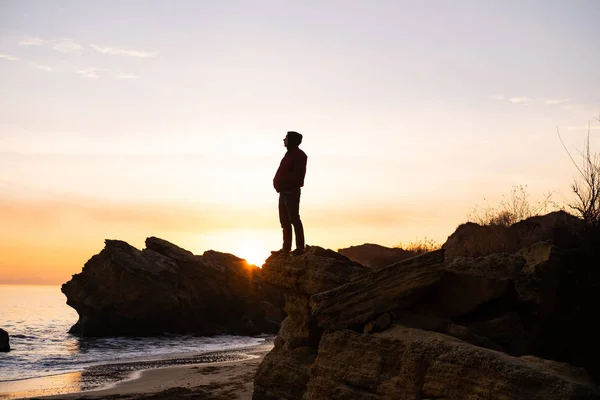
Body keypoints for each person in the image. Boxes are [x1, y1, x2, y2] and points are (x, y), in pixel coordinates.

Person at [272, 131, 307, 256]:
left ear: (291, 140)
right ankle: (286, 248)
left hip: (291, 191)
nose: (283, 140)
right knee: (284, 221)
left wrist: (284, 183)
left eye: (286, 138)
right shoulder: (287, 155)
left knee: (294, 218)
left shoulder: (300, 155)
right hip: (283, 192)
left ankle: (300, 247)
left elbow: (298, 176)